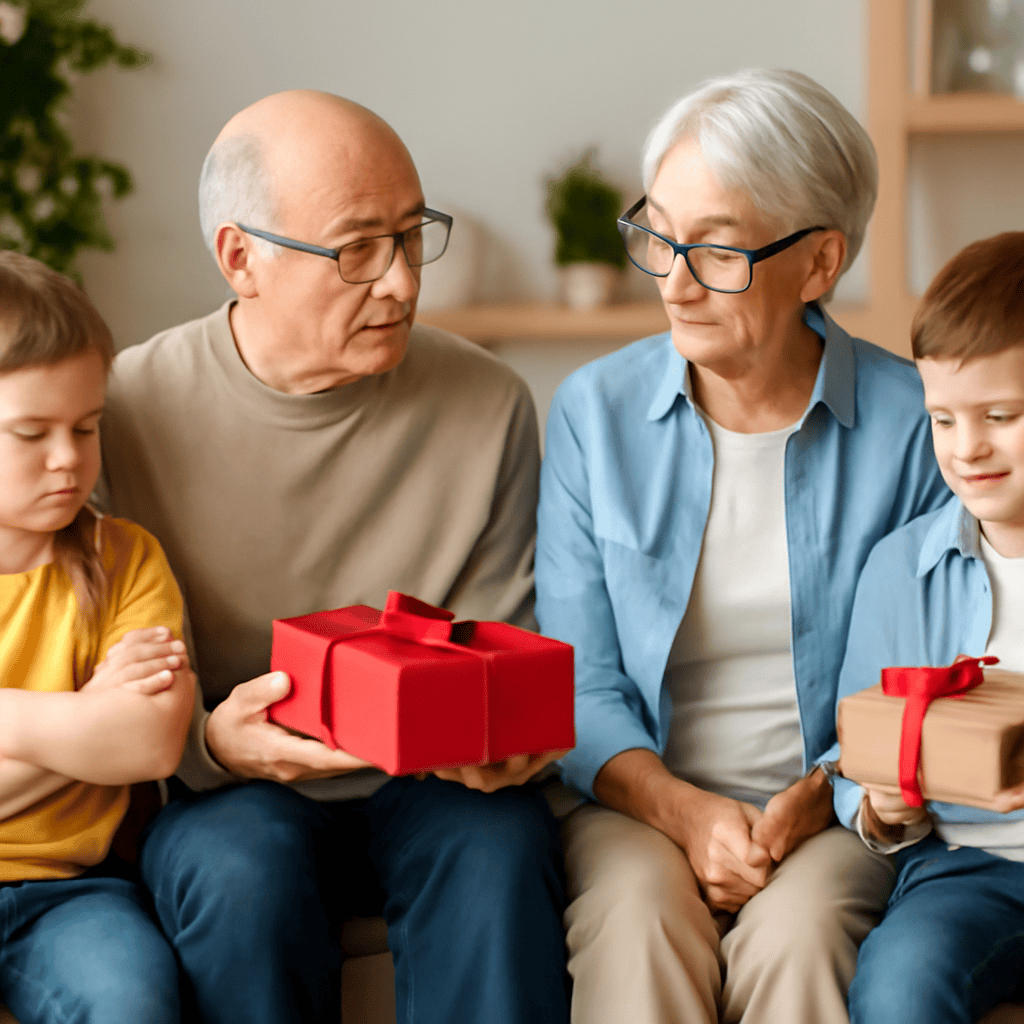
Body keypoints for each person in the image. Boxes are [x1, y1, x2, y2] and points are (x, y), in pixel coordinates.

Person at [99, 90, 569, 1024]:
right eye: (357, 250)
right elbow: (95, 661)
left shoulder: (490, 402)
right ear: (241, 258)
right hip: (230, 792)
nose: (400, 282)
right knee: (242, 868)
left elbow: (503, 636)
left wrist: (511, 737)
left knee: (501, 843)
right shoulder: (123, 412)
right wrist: (208, 742)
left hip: (432, 785)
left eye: (412, 236)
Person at [535, 68, 950, 1024]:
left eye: (718, 251)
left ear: (819, 262)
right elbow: (576, 682)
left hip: (836, 813)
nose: (675, 284)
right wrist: (685, 812)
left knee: (800, 936)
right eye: (660, 236)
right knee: (637, 923)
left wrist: (811, 799)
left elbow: (922, 680)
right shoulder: (595, 414)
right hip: (636, 804)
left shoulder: (914, 427)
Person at [832, 232, 1024, 1024]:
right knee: (902, 981)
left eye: (1000, 415)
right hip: (966, 868)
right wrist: (883, 808)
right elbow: (852, 755)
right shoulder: (900, 570)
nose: (968, 447)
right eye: (943, 420)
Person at [0, 251, 194, 1024]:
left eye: (86, 427)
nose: (68, 459)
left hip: (71, 893)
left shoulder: (125, 557)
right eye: (31, 432)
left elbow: (149, 744)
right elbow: (110, 734)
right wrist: (84, 716)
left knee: (133, 1000)